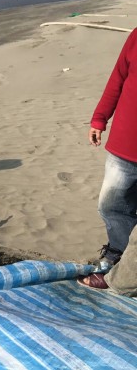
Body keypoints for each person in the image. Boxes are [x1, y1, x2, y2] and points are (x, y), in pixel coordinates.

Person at [79, 29, 137, 288]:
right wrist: (99, 118)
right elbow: (118, 79)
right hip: (125, 145)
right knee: (111, 206)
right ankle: (118, 255)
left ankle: (126, 277)